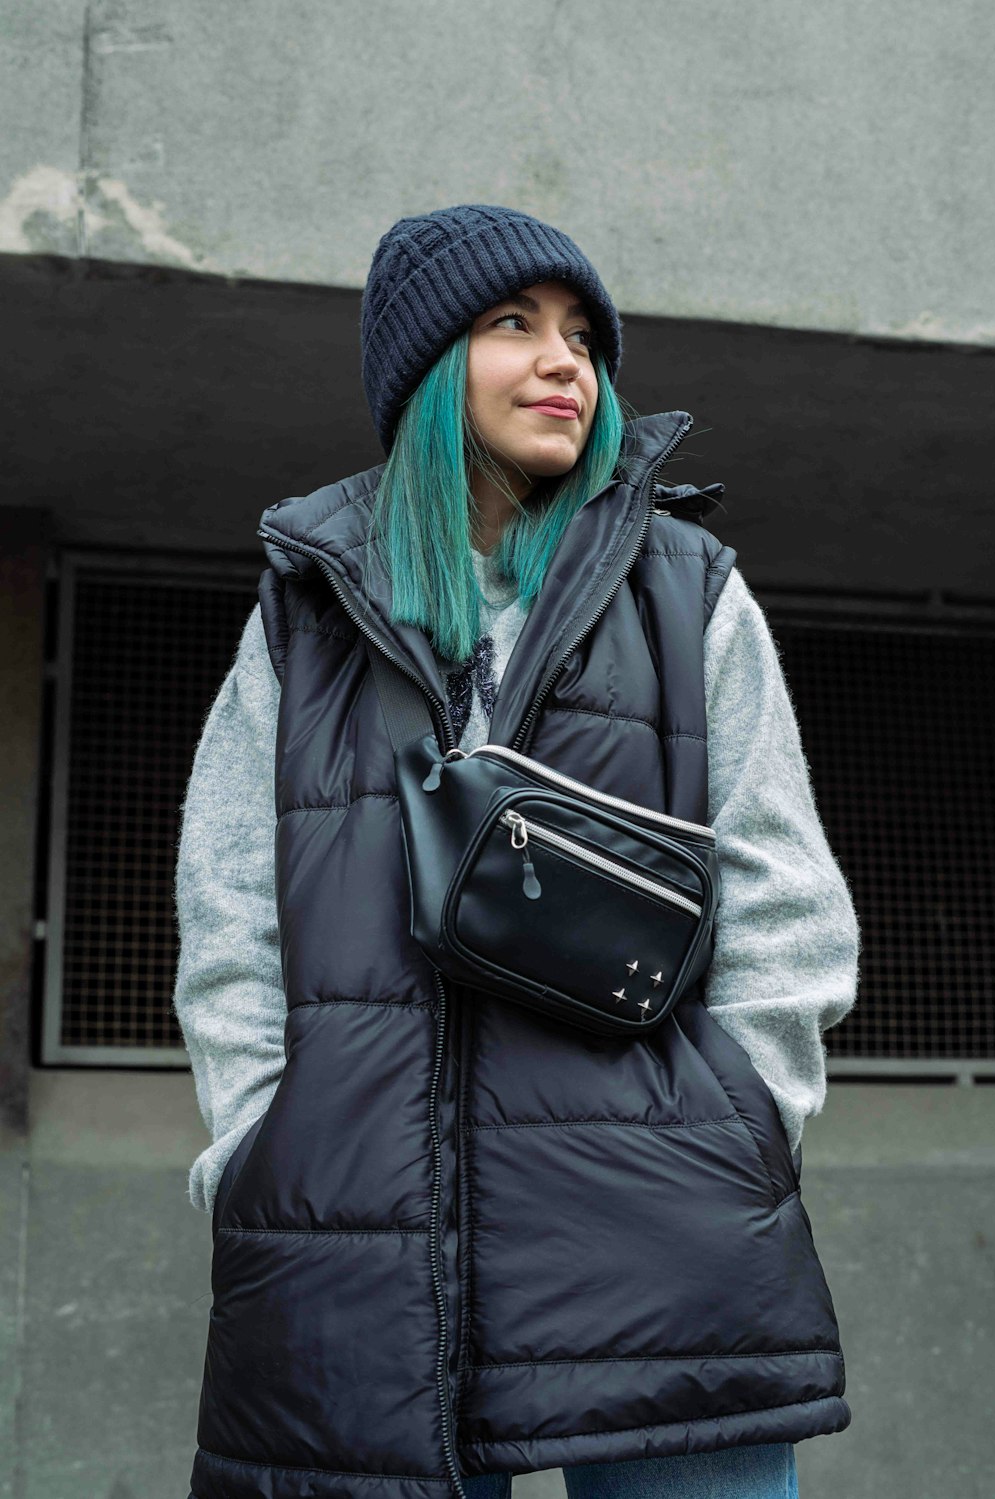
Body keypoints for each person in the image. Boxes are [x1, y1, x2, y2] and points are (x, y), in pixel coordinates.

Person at [173, 204, 860, 1499]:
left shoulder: (686, 586)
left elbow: (784, 895)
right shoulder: (311, 604)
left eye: (584, 336)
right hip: (362, 1243)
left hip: (664, 1232)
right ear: (431, 366)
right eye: (515, 325)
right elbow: (230, 915)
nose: (567, 362)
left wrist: (746, 1121)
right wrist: (259, 1140)